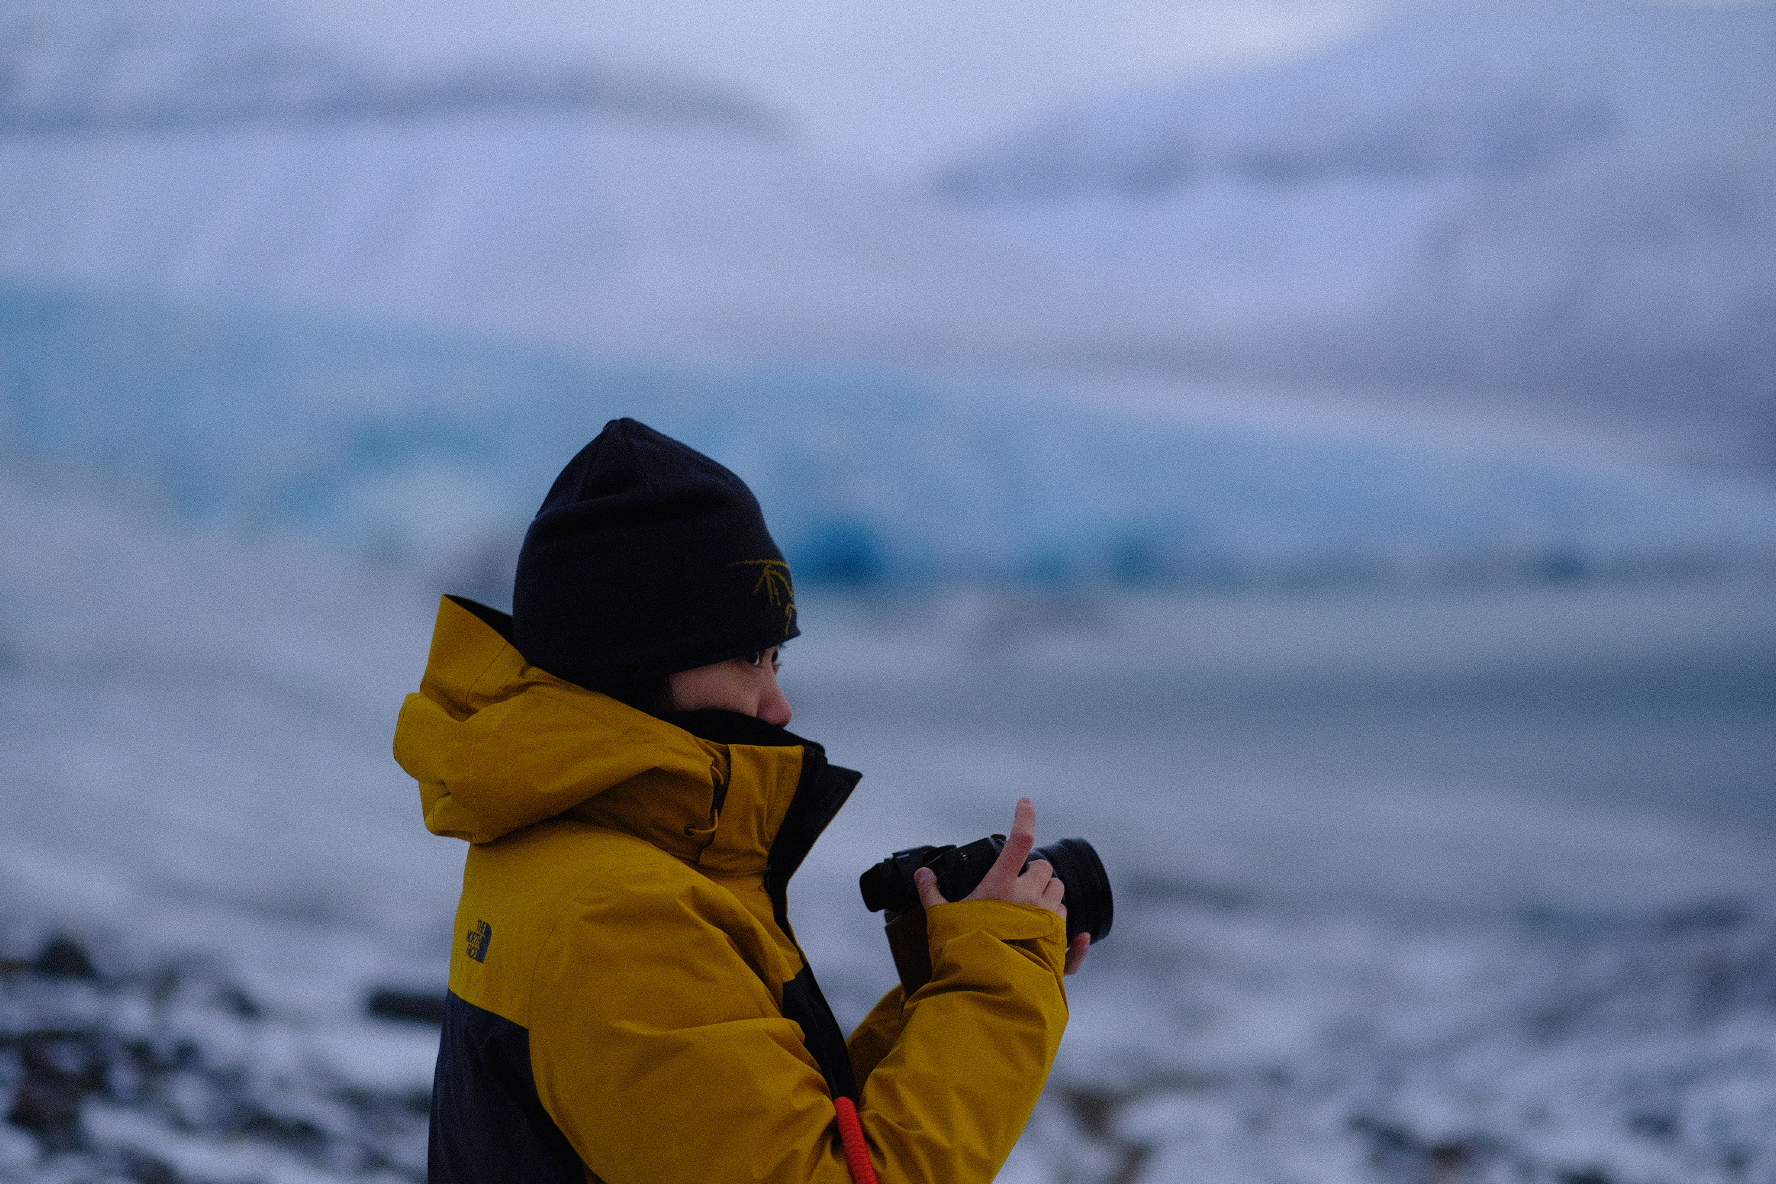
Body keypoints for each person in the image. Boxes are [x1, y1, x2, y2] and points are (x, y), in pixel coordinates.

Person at [394, 418, 1088, 1184]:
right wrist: (1000, 986)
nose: (778, 703)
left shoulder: (557, 850)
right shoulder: (624, 922)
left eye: (777, 656)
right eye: (749, 656)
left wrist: (944, 990)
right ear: (641, 653)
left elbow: (765, 1133)